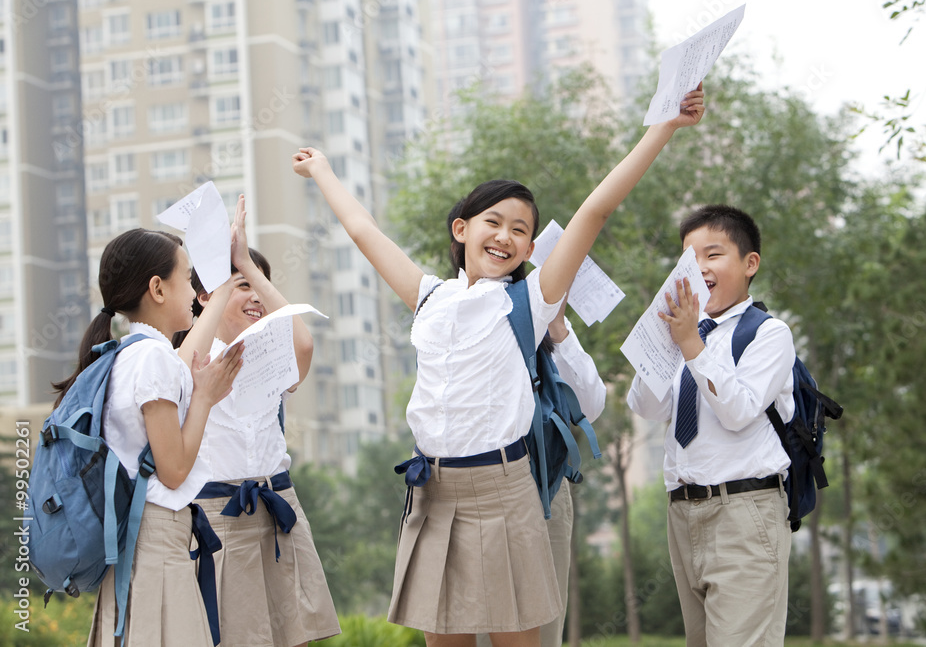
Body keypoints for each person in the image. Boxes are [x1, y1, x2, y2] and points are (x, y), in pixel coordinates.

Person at [293, 82, 704, 647]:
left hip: (502, 487)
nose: (506, 235)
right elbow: (364, 231)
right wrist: (322, 171)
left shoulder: (529, 302)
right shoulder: (430, 297)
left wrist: (664, 128)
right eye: (494, 221)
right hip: (434, 489)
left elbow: (595, 209)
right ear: (462, 231)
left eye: (521, 229)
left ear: (532, 248)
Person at [52, 228, 245, 647]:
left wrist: (228, 282)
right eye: (188, 278)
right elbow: (173, 470)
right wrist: (206, 399)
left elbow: (186, 359)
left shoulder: (130, 353)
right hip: (154, 542)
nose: (195, 292)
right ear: (157, 288)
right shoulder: (153, 358)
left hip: (134, 542)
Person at [626, 204, 795, 646]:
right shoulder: (688, 334)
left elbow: (738, 411)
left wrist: (690, 343)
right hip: (683, 512)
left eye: (713, 255)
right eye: (689, 258)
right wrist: (661, 341)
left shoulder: (769, 334)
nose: (699, 268)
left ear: (749, 263)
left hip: (745, 511)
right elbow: (645, 406)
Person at [176, 195, 340, 647]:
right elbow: (181, 370)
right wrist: (222, 278)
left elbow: (302, 343)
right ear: (206, 296)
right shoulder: (186, 358)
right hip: (217, 515)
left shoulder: (269, 354)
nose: (254, 294)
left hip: (276, 504)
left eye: (259, 284)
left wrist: (245, 261)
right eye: (241, 285)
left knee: (294, 637)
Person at [475, 298, 607, 647]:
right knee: (475, 632)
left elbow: (590, 405)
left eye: (521, 237)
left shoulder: (536, 311)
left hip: (542, 493)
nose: (504, 240)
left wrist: (557, 325)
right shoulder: (450, 307)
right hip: (470, 498)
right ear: (460, 238)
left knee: (541, 635)